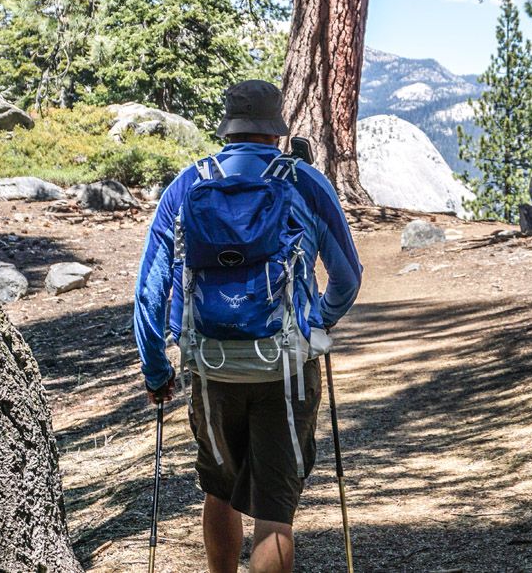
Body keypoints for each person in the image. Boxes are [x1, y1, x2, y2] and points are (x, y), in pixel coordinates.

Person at [133, 80, 363, 573]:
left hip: (211, 365)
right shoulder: (304, 182)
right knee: (274, 514)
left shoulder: (186, 186)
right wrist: (313, 323)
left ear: (228, 126)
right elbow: (347, 275)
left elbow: (150, 295)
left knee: (220, 491)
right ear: (276, 129)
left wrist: (156, 373)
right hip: (286, 368)